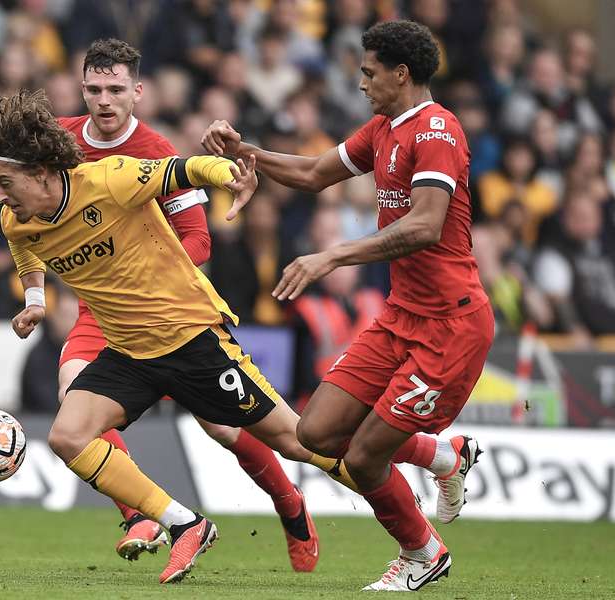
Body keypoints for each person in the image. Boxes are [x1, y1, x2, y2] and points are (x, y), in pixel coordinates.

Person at [0, 88, 361, 585]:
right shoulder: (15, 217)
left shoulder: (115, 176)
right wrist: (36, 300)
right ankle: (181, 523)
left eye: (3, 183)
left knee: (295, 440)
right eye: (93, 87)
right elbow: (26, 251)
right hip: (125, 344)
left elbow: (189, 171)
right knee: (68, 434)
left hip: (187, 335)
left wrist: (229, 174)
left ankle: (393, 496)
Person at [201, 20, 490, 591]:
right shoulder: (385, 127)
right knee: (316, 432)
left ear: (399, 74)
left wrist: (332, 257)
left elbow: (427, 225)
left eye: (368, 72)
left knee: (362, 459)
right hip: (401, 314)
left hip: (450, 325)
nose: (360, 83)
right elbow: (312, 173)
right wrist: (248, 153)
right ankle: (442, 455)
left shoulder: (438, 131)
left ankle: (422, 552)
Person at [53, 38, 322, 572]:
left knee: (224, 429)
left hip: (167, 314)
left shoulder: (156, 153)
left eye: (115, 90)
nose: (104, 101)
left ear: (138, 92)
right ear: (81, 89)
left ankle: (289, 502)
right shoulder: (59, 142)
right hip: (100, 315)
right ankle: (143, 516)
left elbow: (199, 241)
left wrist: (141, 266)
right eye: (94, 89)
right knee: (72, 409)